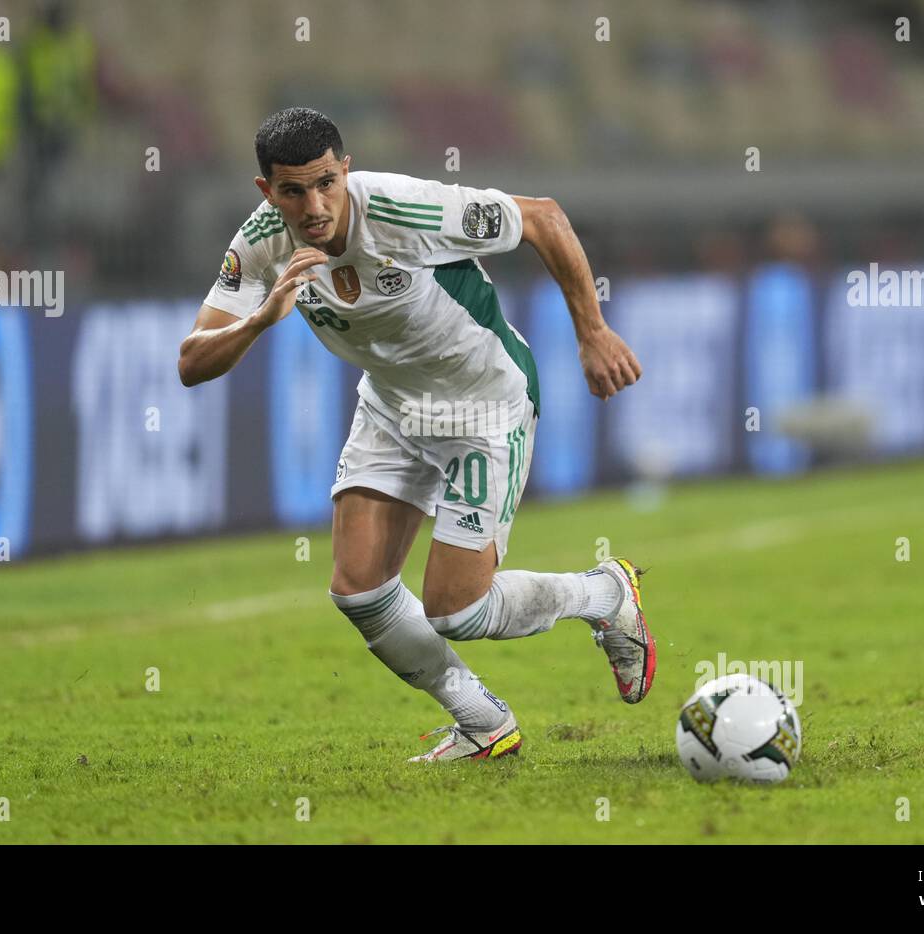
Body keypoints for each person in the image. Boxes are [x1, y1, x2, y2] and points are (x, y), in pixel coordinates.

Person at [178, 107, 653, 762]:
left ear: (345, 171)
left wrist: (592, 332)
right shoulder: (261, 242)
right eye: (293, 190)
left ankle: (604, 594)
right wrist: (259, 321)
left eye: (326, 183)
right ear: (267, 192)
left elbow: (543, 216)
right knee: (360, 589)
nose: (313, 205)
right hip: (393, 406)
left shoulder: (406, 210)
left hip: (483, 403)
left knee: (457, 611)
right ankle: (484, 723)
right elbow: (191, 362)